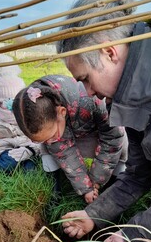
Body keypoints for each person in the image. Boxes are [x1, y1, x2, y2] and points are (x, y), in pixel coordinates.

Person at [55, 0, 151, 242]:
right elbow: (136, 176)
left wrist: (136, 234)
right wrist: (92, 215)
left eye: (85, 79)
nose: (88, 93)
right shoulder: (131, 95)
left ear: (110, 52)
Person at [12, 74, 128, 203]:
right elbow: (64, 153)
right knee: (48, 148)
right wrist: (86, 188)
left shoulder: (93, 101)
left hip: (96, 130)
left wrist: (96, 181)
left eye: (51, 135)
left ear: (61, 112)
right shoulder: (41, 114)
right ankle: (55, 191)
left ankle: (117, 187)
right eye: (40, 140)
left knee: (123, 146)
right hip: (71, 127)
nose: (49, 141)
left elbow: (113, 137)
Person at [0, 55, 40, 174]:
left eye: (11, 102)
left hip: (27, 149)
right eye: (1, 102)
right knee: (8, 164)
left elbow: (42, 135)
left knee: (30, 171)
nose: (7, 107)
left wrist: (30, 149)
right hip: (6, 150)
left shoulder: (30, 111)